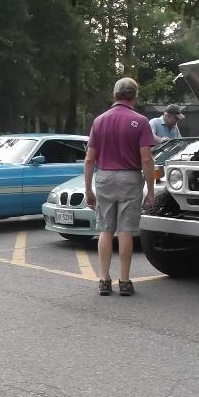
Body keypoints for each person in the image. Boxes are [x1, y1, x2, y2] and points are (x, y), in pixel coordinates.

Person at [84, 77, 155, 297]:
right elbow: (146, 159)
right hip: (129, 178)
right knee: (125, 230)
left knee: (105, 229)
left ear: (115, 94)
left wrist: (88, 190)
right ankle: (124, 281)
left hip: (104, 177)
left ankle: (104, 280)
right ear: (135, 96)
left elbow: (89, 159)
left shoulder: (99, 121)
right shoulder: (141, 121)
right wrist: (151, 191)